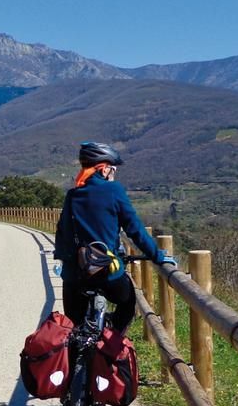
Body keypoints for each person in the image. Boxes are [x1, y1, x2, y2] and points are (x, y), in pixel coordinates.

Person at [53, 142, 176, 334]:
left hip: (73, 276)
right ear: (103, 169)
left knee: (74, 330)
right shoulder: (113, 191)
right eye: (113, 169)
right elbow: (134, 229)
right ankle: (112, 340)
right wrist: (157, 256)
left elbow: (62, 231)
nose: (114, 173)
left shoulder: (72, 195)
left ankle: (75, 361)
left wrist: (64, 260)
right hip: (106, 274)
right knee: (128, 303)